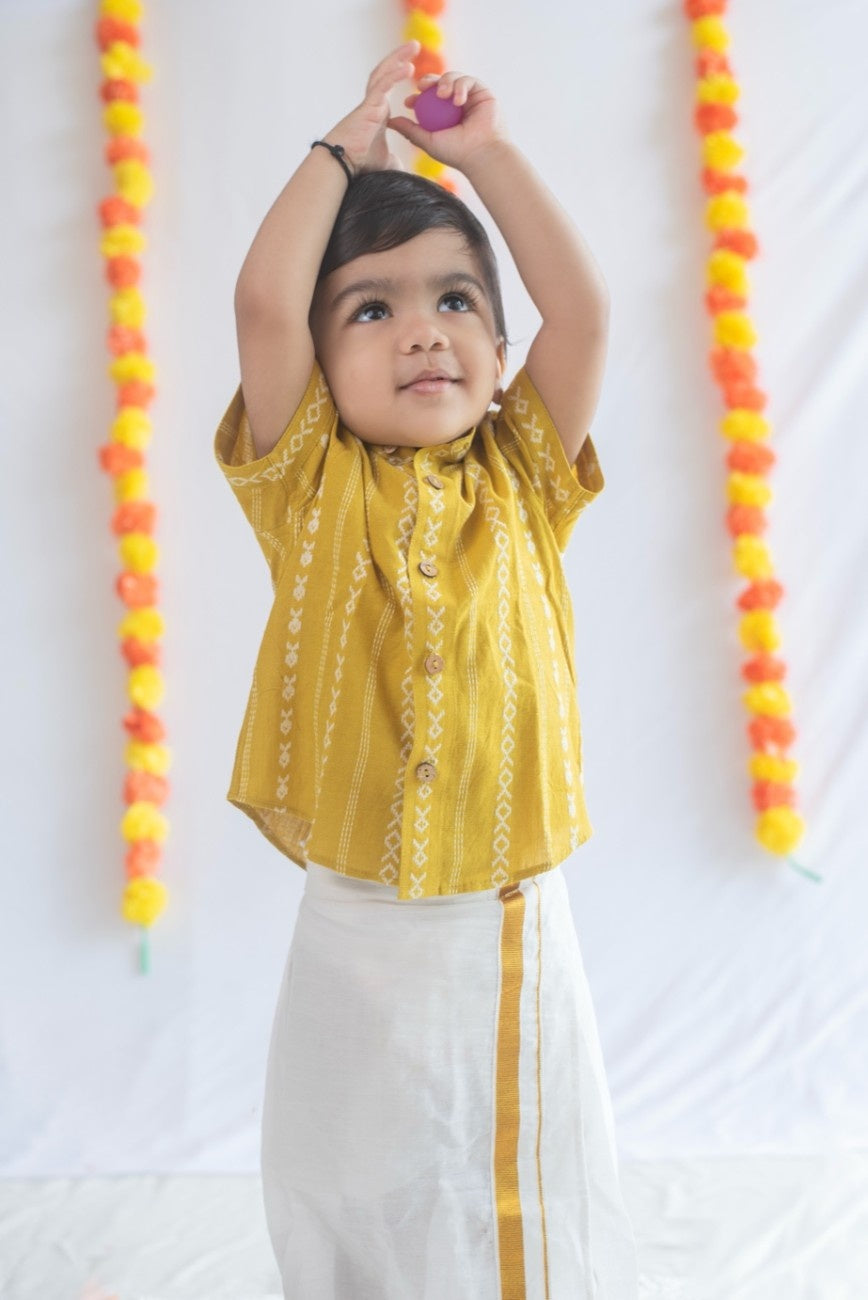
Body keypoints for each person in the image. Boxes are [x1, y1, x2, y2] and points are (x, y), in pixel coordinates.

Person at [214, 38, 640, 1299]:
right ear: (319, 363)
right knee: (345, 1176)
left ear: (500, 353)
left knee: (520, 1188)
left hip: (506, 918)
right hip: (351, 918)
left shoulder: (525, 473)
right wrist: (347, 143)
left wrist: (486, 159)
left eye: (456, 301)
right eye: (371, 308)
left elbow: (585, 311)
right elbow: (260, 302)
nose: (422, 333)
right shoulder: (306, 481)